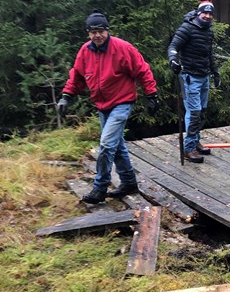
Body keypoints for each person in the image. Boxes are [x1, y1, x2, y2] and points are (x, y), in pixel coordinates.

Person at [57, 12, 161, 204]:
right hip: (102, 104)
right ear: (88, 33)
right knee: (117, 145)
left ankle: (100, 187)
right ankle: (129, 182)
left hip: (122, 101)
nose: (97, 35)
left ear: (107, 31)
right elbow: (77, 76)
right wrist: (66, 97)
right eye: (93, 32)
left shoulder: (122, 48)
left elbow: (142, 70)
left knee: (106, 145)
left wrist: (151, 95)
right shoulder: (85, 52)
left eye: (101, 31)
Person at [167, 0, 220, 164]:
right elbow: (173, 47)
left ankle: (195, 141)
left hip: (204, 76)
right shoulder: (187, 28)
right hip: (189, 77)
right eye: (205, 13)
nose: (207, 16)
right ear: (198, 13)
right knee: (194, 112)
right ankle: (188, 149)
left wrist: (215, 72)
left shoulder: (208, 31)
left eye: (210, 14)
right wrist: (173, 61)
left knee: (202, 112)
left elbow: (208, 54)